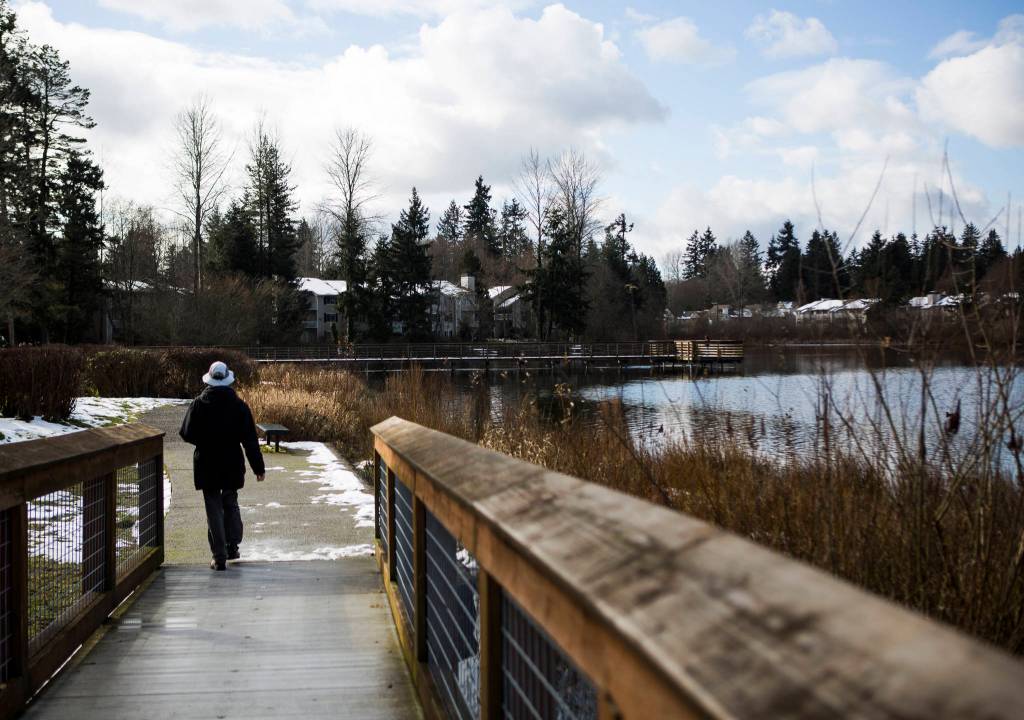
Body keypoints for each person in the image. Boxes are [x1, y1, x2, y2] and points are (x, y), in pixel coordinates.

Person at [180, 360, 265, 571]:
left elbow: (186, 433)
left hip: (207, 464)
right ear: (228, 380)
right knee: (230, 502)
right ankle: (233, 546)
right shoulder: (239, 406)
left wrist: (204, 440)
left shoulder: (198, 404)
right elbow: (250, 441)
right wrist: (258, 468)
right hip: (231, 463)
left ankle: (219, 556)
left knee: (213, 508)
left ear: (208, 379)